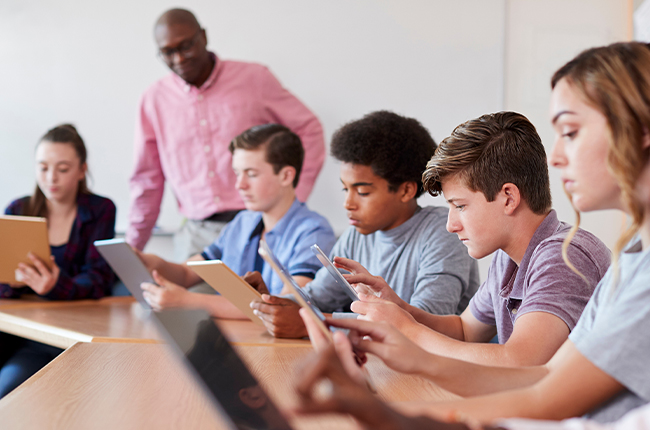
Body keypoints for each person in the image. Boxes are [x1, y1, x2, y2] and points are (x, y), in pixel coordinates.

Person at [292, 42, 650, 426]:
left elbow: (531, 372)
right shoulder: (626, 259)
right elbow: (484, 341)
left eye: (571, 131)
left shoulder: (567, 253)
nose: (557, 156)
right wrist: (403, 318)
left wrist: (409, 348)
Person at [340, 111, 610, 367]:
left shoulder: (564, 256)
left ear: (508, 198)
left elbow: (522, 362)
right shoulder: (508, 258)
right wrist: (399, 309)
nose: (450, 225)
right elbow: (466, 331)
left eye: (460, 206)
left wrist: (408, 330)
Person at [249, 110, 480, 338]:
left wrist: (319, 324)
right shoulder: (356, 236)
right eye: (345, 189)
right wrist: (272, 301)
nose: (348, 203)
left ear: (406, 190)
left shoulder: (442, 232)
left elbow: (427, 320)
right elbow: (317, 298)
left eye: (362, 192)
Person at [127, 8, 326, 260]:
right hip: (196, 234)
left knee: (264, 299)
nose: (179, 59)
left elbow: (307, 128)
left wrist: (292, 197)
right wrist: (133, 249)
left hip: (260, 226)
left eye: (186, 46)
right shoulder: (153, 100)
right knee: (182, 299)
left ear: (204, 37)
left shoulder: (255, 79)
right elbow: (147, 179)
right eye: (168, 52)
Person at [137, 124, 335, 317]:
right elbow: (187, 274)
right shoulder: (242, 222)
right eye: (237, 173)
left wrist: (188, 302)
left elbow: (286, 306)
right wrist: (151, 263)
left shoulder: (313, 232)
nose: (240, 185)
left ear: (285, 176)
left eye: (251, 174)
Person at [0, 124, 116, 397]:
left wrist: (55, 286)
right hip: (15, 327)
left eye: (63, 169)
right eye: (43, 168)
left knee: (9, 390)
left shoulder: (101, 210)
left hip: (60, 336)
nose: (51, 178)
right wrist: (14, 284)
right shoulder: (18, 209)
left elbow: (99, 279)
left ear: (81, 170)